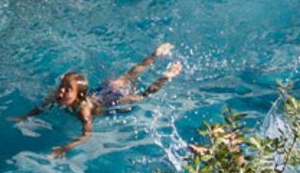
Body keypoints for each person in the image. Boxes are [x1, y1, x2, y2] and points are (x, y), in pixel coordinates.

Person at [20, 43, 184, 155]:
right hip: (101, 91)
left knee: (143, 95)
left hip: (112, 101)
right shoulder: (57, 98)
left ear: (79, 95)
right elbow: (41, 107)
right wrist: (25, 116)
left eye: (67, 89)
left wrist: (65, 148)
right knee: (128, 76)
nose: (61, 91)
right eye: (61, 86)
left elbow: (86, 136)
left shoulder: (84, 112)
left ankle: (166, 75)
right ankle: (154, 55)